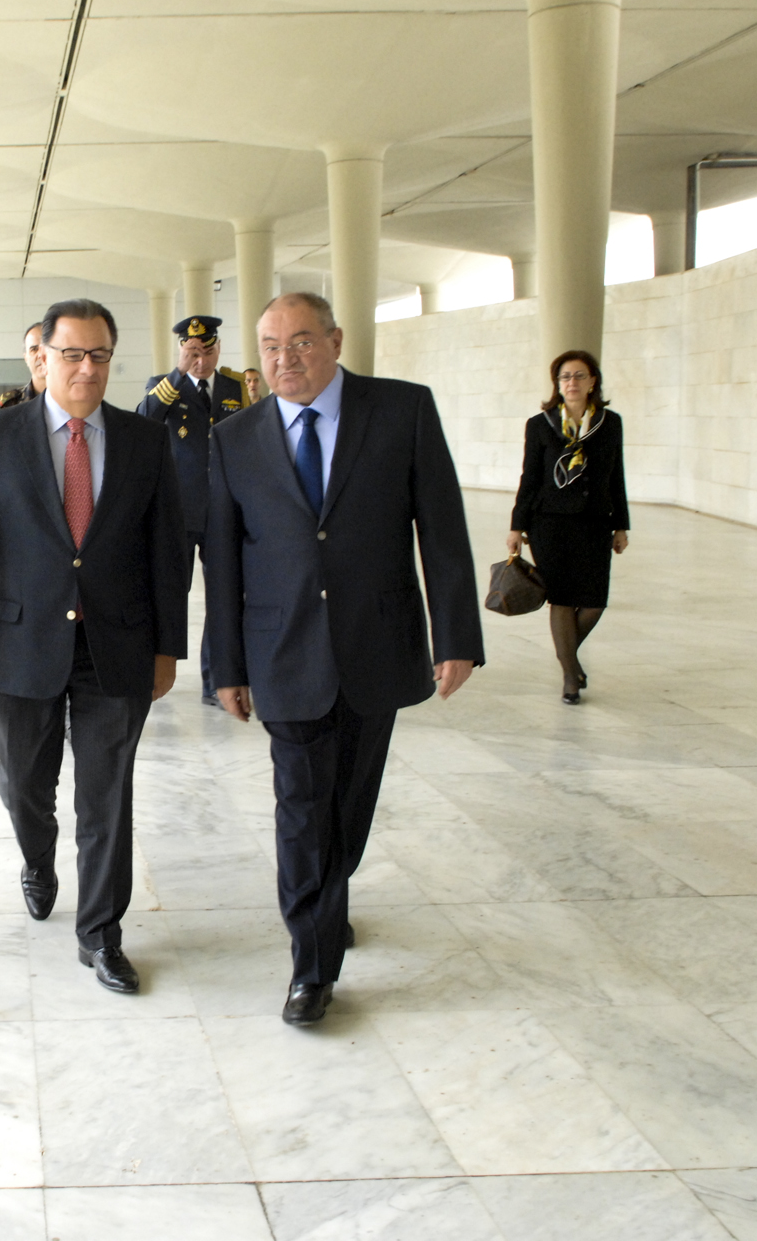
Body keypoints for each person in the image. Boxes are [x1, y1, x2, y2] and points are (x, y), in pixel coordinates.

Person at [205, 292, 483, 1026]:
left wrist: (456, 637)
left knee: (348, 807)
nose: (284, 358)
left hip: (376, 644)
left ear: (335, 341)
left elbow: (442, 529)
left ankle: (332, 893)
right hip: (283, 650)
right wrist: (225, 666)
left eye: (301, 342)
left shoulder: (401, 411)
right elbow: (223, 563)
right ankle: (312, 967)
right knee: (302, 811)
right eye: (270, 346)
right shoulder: (235, 437)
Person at [0, 298, 187, 995]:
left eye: (99, 355)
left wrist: (168, 647)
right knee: (25, 784)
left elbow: (167, 552)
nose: (86, 368)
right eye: (72, 354)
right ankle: (37, 859)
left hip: (117, 647)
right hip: (22, 643)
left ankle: (100, 933)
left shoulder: (144, 440)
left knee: (106, 797)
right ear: (42, 356)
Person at [505, 350, 630, 704]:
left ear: (592, 382)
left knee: (594, 602)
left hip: (594, 523)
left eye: (578, 376)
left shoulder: (610, 423)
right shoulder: (540, 424)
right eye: (565, 377)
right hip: (549, 524)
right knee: (561, 598)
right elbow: (529, 479)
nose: (571, 382)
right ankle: (570, 677)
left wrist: (621, 525)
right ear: (557, 384)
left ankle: (568, 658)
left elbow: (616, 476)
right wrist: (516, 526)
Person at [137, 315, 245, 705]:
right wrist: (178, 372)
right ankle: (152, 674)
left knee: (224, 596)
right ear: (182, 351)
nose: (201, 360)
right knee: (168, 595)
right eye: (192, 352)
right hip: (178, 513)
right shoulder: (165, 385)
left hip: (223, 511)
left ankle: (216, 681)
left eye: (207, 351)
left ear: (218, 349)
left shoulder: (234, 387)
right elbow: (144, 419)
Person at [0, 322, 47, 408]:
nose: (40, 354)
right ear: (26, 358)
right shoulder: (8, 405)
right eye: (34, 349)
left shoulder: (71, 401)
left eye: (46, 348)